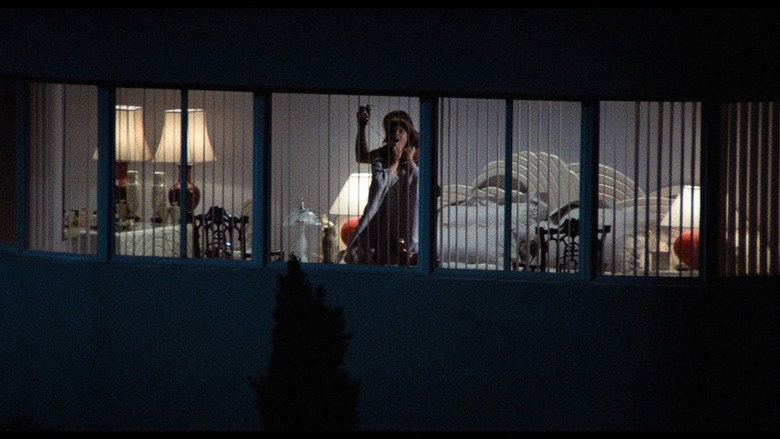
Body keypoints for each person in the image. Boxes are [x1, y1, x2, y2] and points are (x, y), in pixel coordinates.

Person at [345, 108, 420, 265]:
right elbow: (361, 157)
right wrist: (362, 126)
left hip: (408, 216)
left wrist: (409, 160)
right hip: (383, 214)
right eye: (391, 130)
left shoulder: (419, 154)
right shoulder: (382, 156)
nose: (396, 134)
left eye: (401, 130)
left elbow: (421, 183)